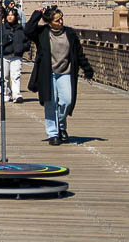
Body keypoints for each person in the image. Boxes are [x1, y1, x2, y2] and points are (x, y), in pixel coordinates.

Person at [26, 7, 94, 144]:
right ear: (49, 22)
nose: (61, 21)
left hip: (65, 72)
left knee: (67, 101)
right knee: (50, 103)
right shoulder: (42, 33)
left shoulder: (70, 34)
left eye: (61, 18)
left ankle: (61, 126)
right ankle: (53, 133)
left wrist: (88, 70)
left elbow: (78, 54)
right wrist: (37, 13)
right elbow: (28, 30)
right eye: (57, 20)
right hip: (47, 73)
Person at [0, 8, 29, 103]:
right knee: (4, 76)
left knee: (15, 75)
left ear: (16, 17)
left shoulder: (21, 29)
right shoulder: (1, 28)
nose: (10, 17)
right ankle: (6, 93)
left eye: (12, 15)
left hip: (16, 56)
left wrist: (21, 47)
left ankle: (16, 94)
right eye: (8, 15)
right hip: (4, 55)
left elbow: (27, 42)